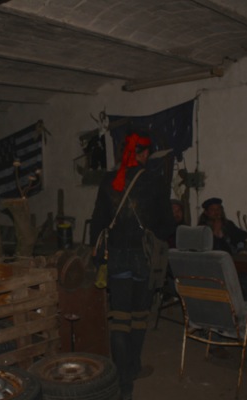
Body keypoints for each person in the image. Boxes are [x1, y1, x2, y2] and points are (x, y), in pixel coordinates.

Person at [90, 133, 175, 400]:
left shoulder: (108, 180)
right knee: (139, 317)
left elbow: (98, 221)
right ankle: (132, 368)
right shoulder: (155, 180)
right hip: (143, 257)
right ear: (144, 153)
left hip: (116, 255)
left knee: (120, 319)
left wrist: (98, 257)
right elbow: (166, 225)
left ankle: (124, 381)